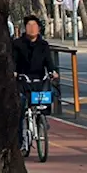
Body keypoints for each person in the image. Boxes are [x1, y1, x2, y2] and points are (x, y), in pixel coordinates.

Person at [12, 14, 58, 152]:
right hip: (22, 79)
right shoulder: (17, 44)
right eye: (29, 26)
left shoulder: (43, 45)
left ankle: (42, 122)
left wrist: (53, 71)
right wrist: (13, 72)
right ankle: (20, 141)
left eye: (34, 26)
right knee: (20, 106)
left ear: (39, 28)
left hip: (39, 79)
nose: (32, 29)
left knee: (45, 100)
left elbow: (49, 62)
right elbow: (13, 60)